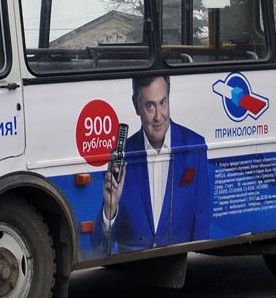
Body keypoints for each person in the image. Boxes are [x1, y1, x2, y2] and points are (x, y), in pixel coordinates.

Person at [90, 75, 211, 256]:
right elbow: (99, 247)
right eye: (150, 106)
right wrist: (110, 209)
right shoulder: (120, 159)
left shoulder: (195, 146)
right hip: (135, 274)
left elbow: (202, 222)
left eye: (163, 103)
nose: (158, 117)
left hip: (182, 271)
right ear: (136, 106)